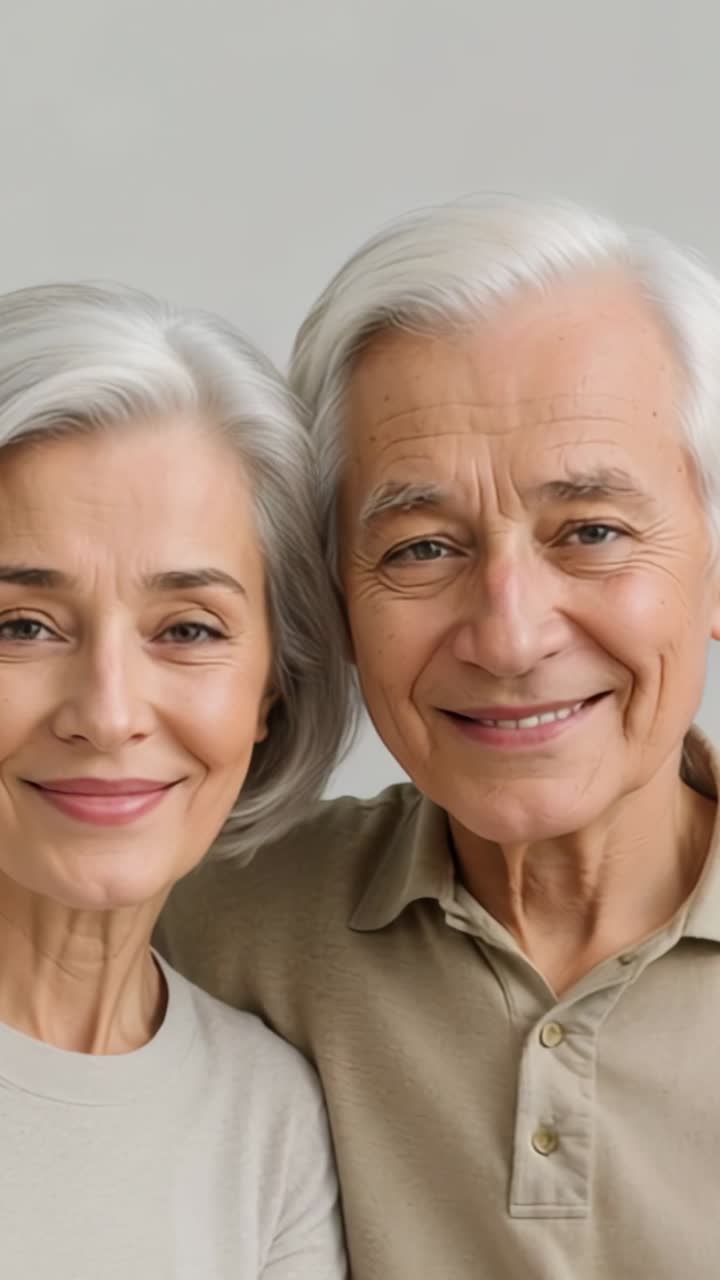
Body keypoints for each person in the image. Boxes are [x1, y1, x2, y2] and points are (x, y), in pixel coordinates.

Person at [157, 196, 720, 1280]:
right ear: (333, 599)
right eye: (420, 547)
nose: (508, 634)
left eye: (591, 531)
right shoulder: (208, 922)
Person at [0, 282, 351, 1279]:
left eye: (188, 629)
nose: (109, 711)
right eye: (20, 624)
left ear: (272, 688)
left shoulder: (266, 1116)